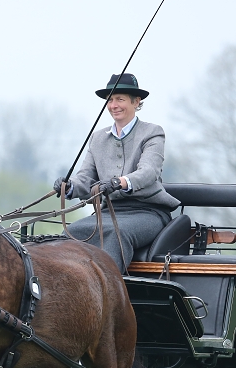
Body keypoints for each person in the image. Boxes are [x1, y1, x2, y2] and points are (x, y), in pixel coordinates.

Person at [54, 73, 180, 273]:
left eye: (120, 99)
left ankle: (108, 294)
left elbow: (149, 172)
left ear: (136, 102)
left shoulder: (152, 133)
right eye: (110, 100)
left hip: (148, 212)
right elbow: (86, 177)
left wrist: (119, 182)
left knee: (114, 233)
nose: (114, 105)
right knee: (72, 231)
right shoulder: (97, 138)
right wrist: (70, 187)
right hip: (108, 211)